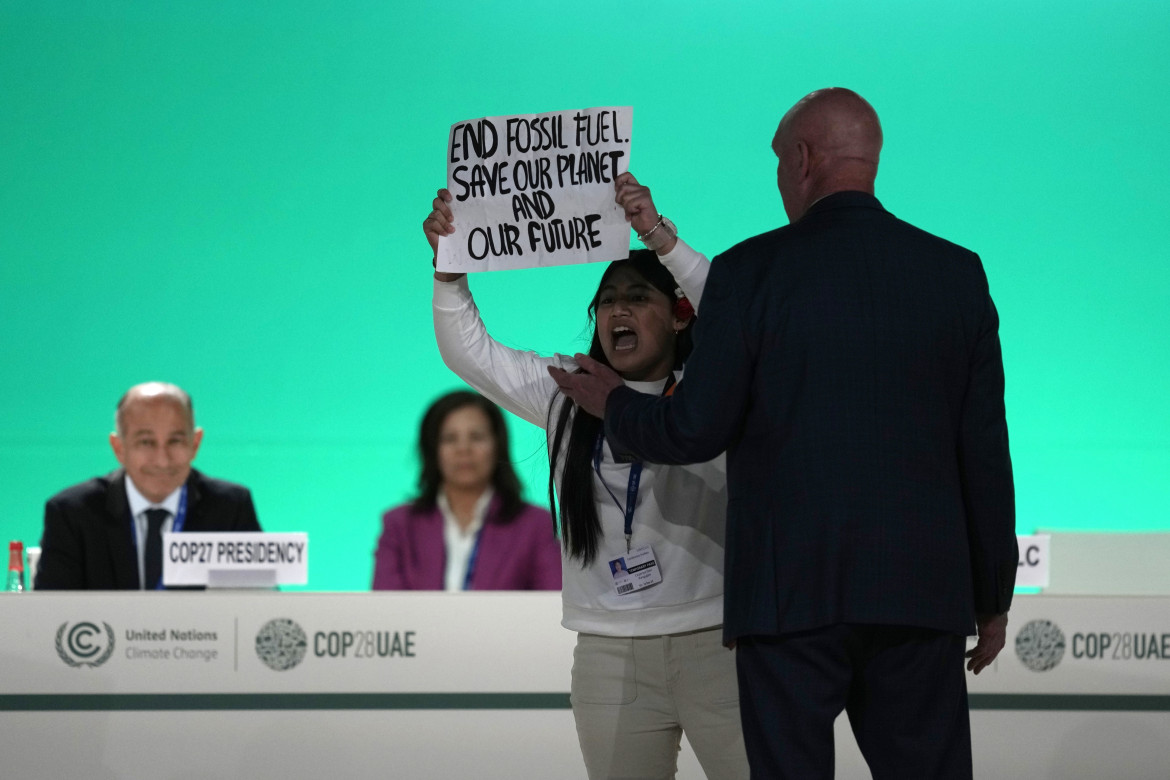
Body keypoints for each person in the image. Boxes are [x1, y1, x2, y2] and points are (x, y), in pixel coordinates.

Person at [552, 89, 1018, 779]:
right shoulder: (956, 273)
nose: (778, 179)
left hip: (787, 601)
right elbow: (983, 454)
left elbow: (693, 429)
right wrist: (992, 597)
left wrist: (615, 403)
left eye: (777, 162)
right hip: (920, 594)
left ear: (802, 159)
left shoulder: (750, 272)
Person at [426, 173, 749, 780]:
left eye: (638, 297)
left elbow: (733, 312)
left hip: (720, 643)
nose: (617, 310)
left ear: (679, 316)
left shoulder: (716, 390)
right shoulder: (568, 393)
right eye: (607, 300)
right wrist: (450, 269)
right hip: (608, 653)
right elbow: (470, 353)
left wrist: (657, 236)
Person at [36, 382, 262, 590]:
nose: (162, 460)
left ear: (195, 443)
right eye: (146, 442)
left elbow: (258, 609)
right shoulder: (72, 514)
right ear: (119, 448)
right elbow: (49, 617)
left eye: (175, 441)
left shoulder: (231, 508)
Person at [372, 390, 561, 591]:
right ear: (431, 449)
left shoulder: (535, 525)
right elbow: (385, 613)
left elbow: (551, 607)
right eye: (450, 438)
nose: (463, 449)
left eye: (477, 437)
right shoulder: (399, 525)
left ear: (498, 445)